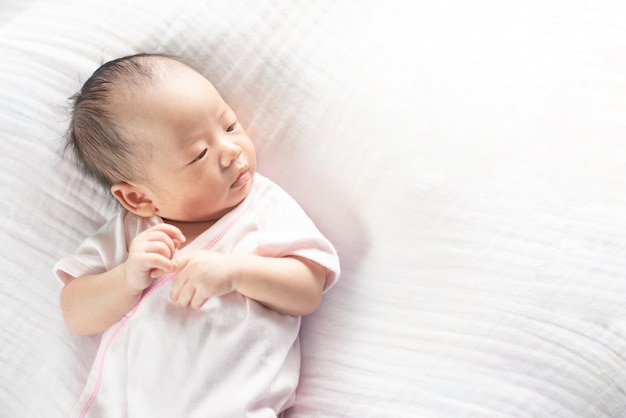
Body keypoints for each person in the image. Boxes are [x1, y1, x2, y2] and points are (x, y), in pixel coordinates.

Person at [54, 53, 340, 417]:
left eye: (230, 126)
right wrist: (126, 278)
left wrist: (237, 272)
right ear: (139, 197)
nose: (230, 151)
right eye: (200, 153)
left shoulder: (262, 208)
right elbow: (76, 313)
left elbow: (307, 289)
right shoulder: (134, 234)